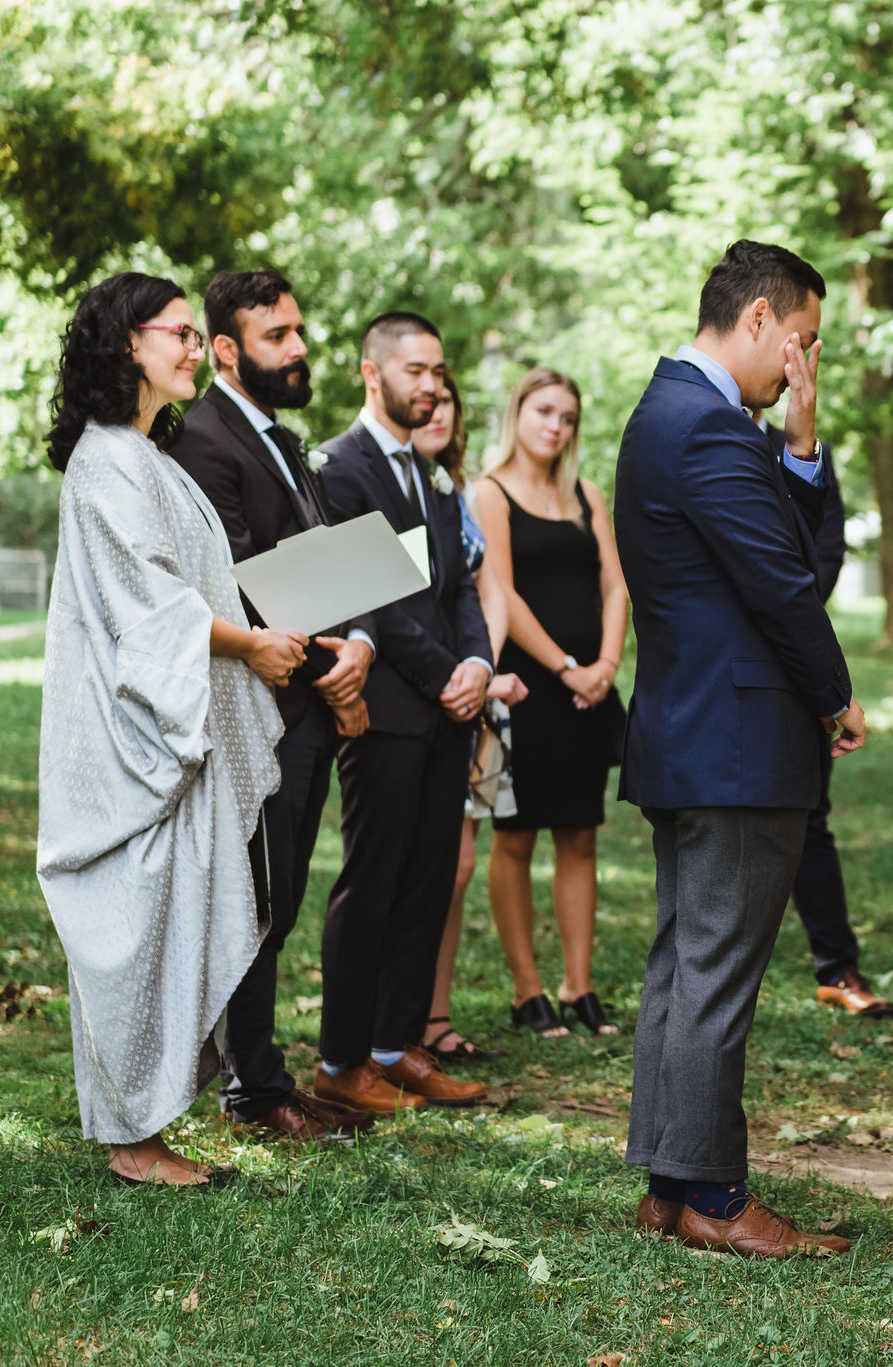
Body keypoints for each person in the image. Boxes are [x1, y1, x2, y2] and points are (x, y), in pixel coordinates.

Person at [617, 240, 867, 1258]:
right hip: (736, 737)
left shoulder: (673, 414)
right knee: (712, 972)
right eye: (799, 342)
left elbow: (788, 553)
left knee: (684, 963)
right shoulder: (710, 427)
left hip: (693, 733)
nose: (797, 366)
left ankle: (668, 1184)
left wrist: (801, 445)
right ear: (757, 317)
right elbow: (785, 586)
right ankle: (715, 1195)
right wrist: (836, 696)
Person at [36, 272, 298, 1185]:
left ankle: (148, 1123)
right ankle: (130, 1140)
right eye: (178, 333)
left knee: (168, 912)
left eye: (194, 333)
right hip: (130, 737)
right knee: (134, 915)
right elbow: (151, 609)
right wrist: (252, 647)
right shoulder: (106, 461)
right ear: (124, 346)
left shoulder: (146, 454)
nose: (194, 347)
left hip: (172, 721)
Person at [168, 268, 380, 1142]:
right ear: (226, 349)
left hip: (312, 701)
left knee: (282, 890)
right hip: (257, 707)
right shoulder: (204, 441)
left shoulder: (286, 442)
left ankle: (256, 1069)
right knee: (258, 892)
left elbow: (333, 558)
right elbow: (238, 585)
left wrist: (360, 643)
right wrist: (332, 661)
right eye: (276, 336)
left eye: (298, 330)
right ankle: (253, 1088)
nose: (298, 349)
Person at [312, 313, 492, 1114]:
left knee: (429, 883)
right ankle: (341, 1059)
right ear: (370, 372)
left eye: (438, 370)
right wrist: (446, 670)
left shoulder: (435, 472)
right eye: (415, 370)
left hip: (450, 711)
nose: (430, 385)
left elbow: (457, 586)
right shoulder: (338, 468)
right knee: (372, 882)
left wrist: (481, 665)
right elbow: (370, 596)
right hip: (382, 708)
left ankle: (396, 1046)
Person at [475, 368, 629, 1038]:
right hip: (527, 688)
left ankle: (578, 983)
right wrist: (566, 666)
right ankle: (527, 990)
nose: (555, 426)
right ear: (518, 412)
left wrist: (605, 665)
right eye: (544, 411)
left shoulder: (587, 495)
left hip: (589, 691)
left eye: (568, 416)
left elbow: (617, 587)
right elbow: (502, 593)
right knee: (513, 838)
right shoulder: (489, 492)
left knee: (581, 835)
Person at [752, 405, 893, 1017]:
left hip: (798, 661)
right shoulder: (701, 438)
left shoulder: (805, 451)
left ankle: (838, 968)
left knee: (811, 819)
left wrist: (795, 618)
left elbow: (824, 548)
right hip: (726, 670)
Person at [418, 369, 529, 1061]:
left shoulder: (455, 492)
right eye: (424, 398)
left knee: (460, 862)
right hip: (420, 689)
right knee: (435, 861)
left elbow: (489, 592)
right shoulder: (384, 483)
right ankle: (401, 1022)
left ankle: (432, 1016)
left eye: (447, 401)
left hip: (478, 693)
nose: (437, 411)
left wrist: (481, 668)